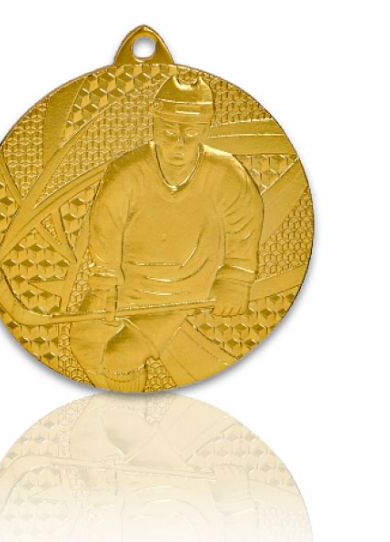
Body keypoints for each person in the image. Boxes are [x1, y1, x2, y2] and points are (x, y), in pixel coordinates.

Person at [70, 75, 263, 391]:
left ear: (205, 130)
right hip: (126, 283)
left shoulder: (225, 172)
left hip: (182, 290)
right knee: (84, 343)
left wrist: (236, 280)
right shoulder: (127, 171)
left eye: (191, 134)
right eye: (169, 132)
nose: (179, 144)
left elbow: (244, 224)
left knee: (121, 357)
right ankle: (117, 402)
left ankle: (127, 411)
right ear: (155, 125)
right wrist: (104, 283)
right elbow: (106, 228)